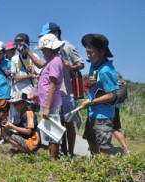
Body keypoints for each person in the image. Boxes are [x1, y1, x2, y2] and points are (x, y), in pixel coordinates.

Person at [39, 22, 85, 158]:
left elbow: (81, 64)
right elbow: (43, 64)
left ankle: (70, 153)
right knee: (57, 125)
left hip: (68, 92)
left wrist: (70, 66)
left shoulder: (69, 47)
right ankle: (62, 152)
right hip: (57, 93)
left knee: (68, 124)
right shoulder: (49, 53)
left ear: (56, 33)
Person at [80, 34, 119, 155]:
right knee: (91, 141)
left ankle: (104, 172)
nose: (88, 55)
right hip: (92, 113)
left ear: (102, 52)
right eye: (87, 52)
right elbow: (89, 87)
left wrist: (91, 102)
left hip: (102, 116)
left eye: (91, 52)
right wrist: (89, 83)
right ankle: (94, 169)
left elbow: (111, 95)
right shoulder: (94, 65)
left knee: (103, 149)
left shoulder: (105, 70)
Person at [34, 33, 65, 160]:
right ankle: (52, 156)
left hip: (51, 103)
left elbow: (52, 85)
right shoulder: (52, 61)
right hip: (47, 102)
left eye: (43, 49)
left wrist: (47, 107)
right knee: (49, 131)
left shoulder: (55, 62)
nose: (42, 51)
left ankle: (53, 159)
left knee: (53, 133)